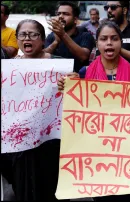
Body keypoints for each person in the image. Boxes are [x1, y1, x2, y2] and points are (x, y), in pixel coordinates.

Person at [57, 20, 130, 202]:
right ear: (97, 44)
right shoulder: (84, 74)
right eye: (104, 39)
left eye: (114, 39)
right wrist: (66, 86)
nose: (109, 43)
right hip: (98, 157)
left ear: (120, 43)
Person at [4, 19, 71, 201]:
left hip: (50, 142)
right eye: (23, 35)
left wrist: (72, 82)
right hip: (21, 145)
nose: (28, 38)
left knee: (50, 187)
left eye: (33, 34)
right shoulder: (9, 69)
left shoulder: (59, 65)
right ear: (17, 39)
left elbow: (74, 95)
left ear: (42, 40)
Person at [45, 1, 95, 73]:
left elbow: (83, 57)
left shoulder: (85, 35)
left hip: (76, 81)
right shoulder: (51, 36)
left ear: (75, 20)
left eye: (66, 14)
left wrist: (63, 35)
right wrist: (55, 42)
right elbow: (42, 58)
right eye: (58, 14)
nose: (60, 16)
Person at [104, 1, 130, 78]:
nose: (109, 10)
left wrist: (117, 49)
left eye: (113, 7)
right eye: (107, 8)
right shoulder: (103, 32)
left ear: (124, 10)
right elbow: (98, 58)